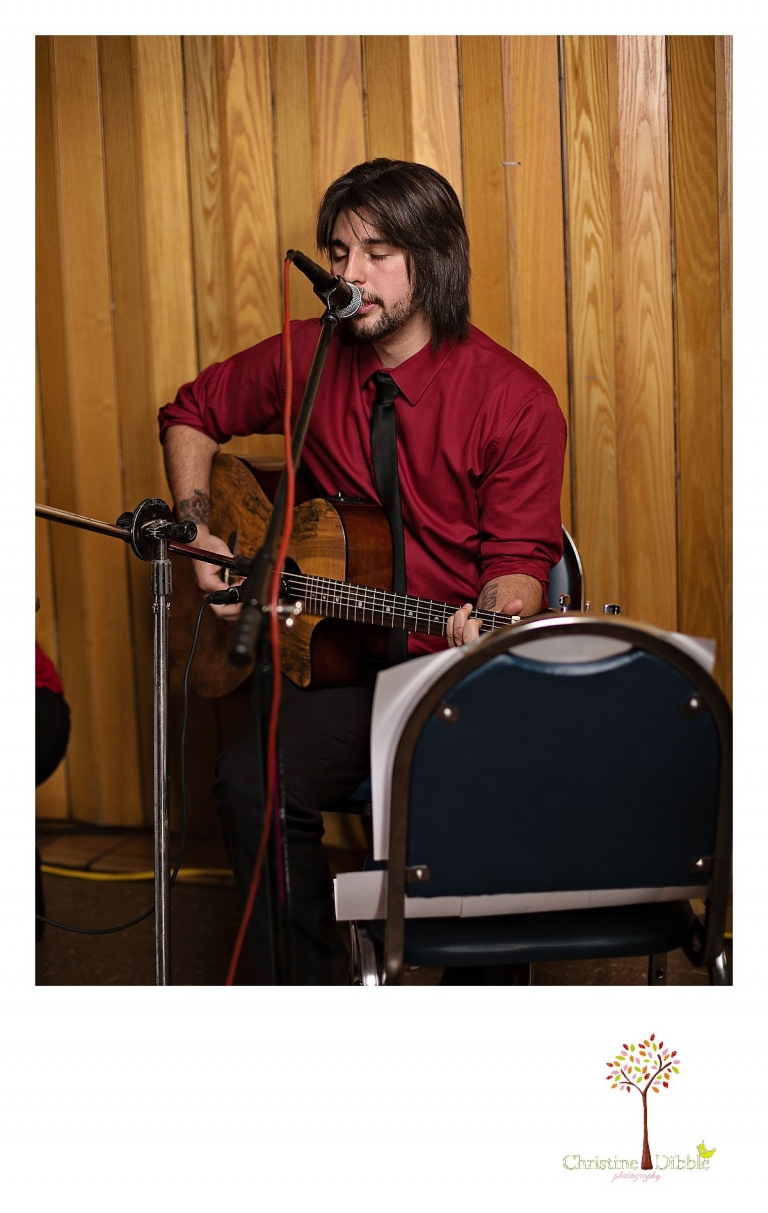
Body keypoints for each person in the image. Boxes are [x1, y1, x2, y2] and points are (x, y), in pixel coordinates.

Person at [158, 159, 567, 984]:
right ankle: (317, 998)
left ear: (434, 259)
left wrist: (491, 622)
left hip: (449, 675)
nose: (350, 275)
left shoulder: (514, 399)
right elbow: (190, 413)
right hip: (342, 669)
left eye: (378, 254)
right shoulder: (308, 355)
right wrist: (198, 529)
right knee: (249, 780)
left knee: (495, 789)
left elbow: (518, 572)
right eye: (340, 253)